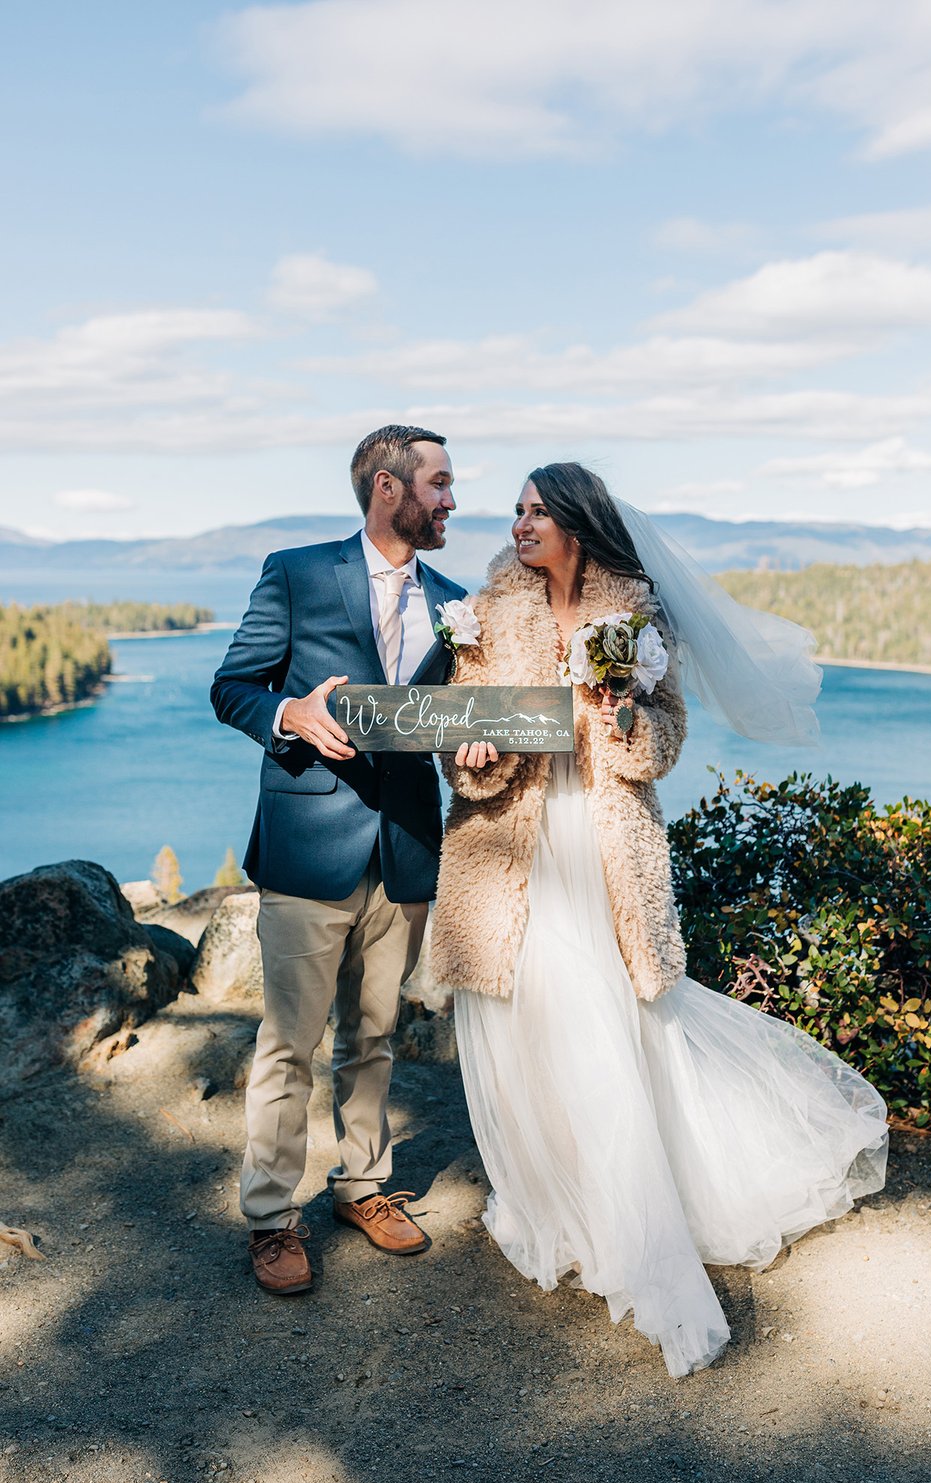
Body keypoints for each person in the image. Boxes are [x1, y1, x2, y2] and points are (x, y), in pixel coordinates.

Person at [430, 461, 888, 1376]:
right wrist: (472, 752)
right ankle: (554, 1199)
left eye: (536, 512)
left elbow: (666, 740)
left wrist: (627, 717)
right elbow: (460, 741)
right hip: (513, 848)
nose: (518, 524)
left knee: (605, 1025)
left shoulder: (636, 614)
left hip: (601, 848)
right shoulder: (488, 612)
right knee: (522, 1026)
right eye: (515, 511)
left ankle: (629, 1221)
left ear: (578, 526)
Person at [211, 424, 466, 1295]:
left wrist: (471, 749)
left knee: (376, 1034)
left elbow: (452, 720)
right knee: (289, 1042)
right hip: (307, 847)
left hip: (404, 846)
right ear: (388, 488)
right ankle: (271, 1218)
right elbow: (233, 685)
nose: (450, 501)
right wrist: (292, 714)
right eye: (438, 483)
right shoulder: (296, 571)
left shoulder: (457, 601)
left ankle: (362, 1183)